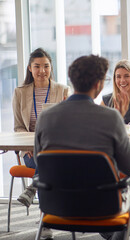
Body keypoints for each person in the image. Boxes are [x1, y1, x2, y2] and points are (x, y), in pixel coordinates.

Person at [34, 54, 130, 240]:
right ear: (100, 84)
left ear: (72, 80)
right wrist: (120, 121)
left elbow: (39, 160)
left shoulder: (45, 117)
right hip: (102, 204)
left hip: (58, 203)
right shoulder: (110, 116)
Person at [12, 48, 69, 210]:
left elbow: (66, 124)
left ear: (51, 67)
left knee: (48, 161)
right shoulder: (20, 93)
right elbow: (19, 127)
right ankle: (47, 215)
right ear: (30, 68)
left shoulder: (63, 90)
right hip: (30, 149)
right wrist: (28, 146)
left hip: (55, 147)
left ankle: (33, 188)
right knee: (48, 164)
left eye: (46, 66)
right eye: (37, 66)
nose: (42, 71)